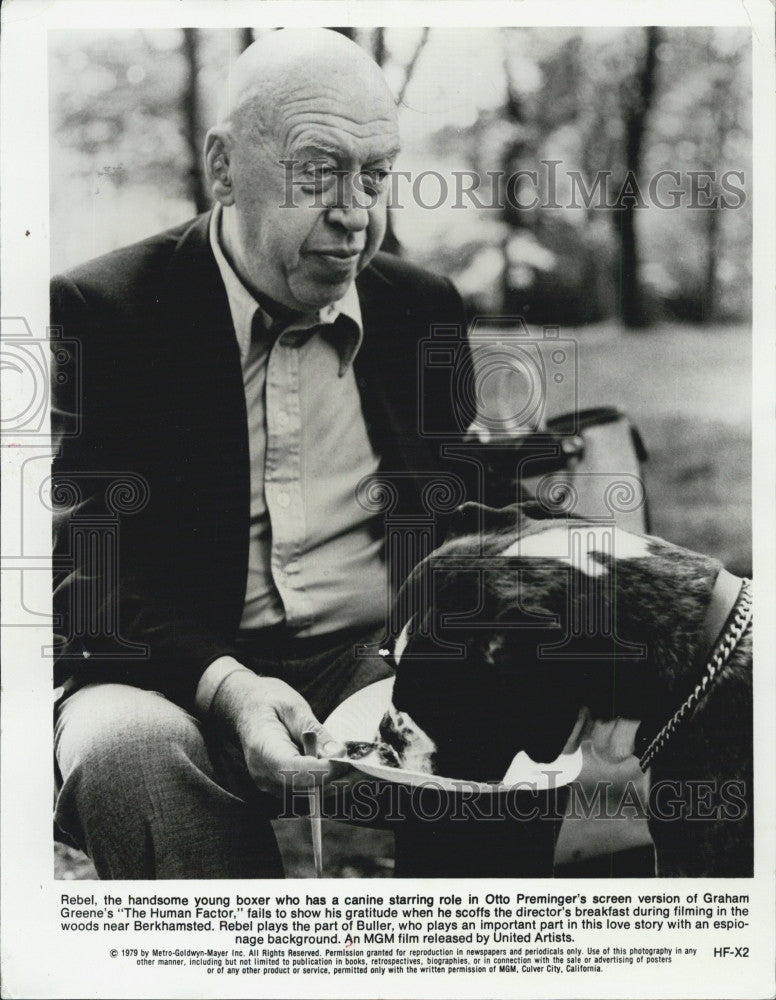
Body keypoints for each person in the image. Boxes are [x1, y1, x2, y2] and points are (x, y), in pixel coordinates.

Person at [51, 28, 564, 879]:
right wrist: (229, 687)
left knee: (511, 686)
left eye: (376, 174)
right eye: (318, 171)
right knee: (129, 755)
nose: (356, 212)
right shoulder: (103, 311)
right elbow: (88, 572)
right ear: (223, 169)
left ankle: (459, 958)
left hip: (369, 654)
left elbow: (463, 508)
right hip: (163, 667)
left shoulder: (419, 306)